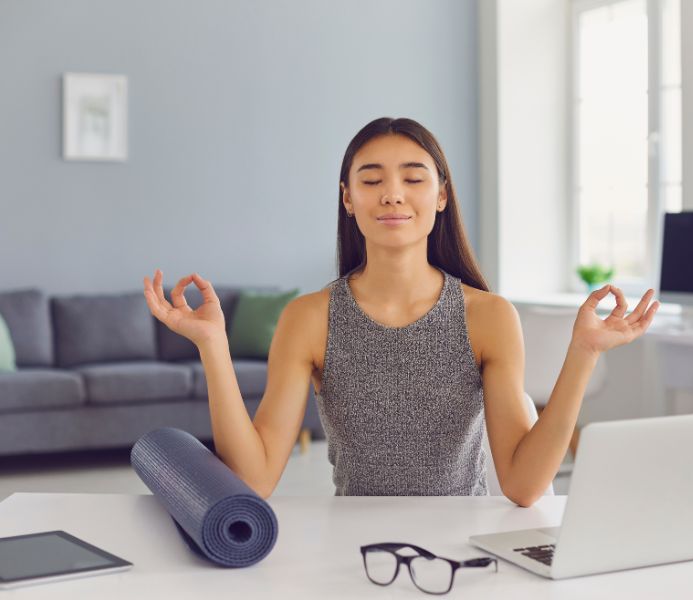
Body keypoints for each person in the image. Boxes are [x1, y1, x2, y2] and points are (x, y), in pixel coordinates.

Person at [143, 117, 659, 507]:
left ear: (440, 196)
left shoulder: (490, 316)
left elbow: (524, 487)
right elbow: (254, 479)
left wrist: (584, 351)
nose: (392, 194)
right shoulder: (309, 317)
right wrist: (213, 345)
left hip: (465, 543)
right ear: (347, 198)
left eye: (413, 179)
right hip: (355, 546)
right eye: (371, 180)